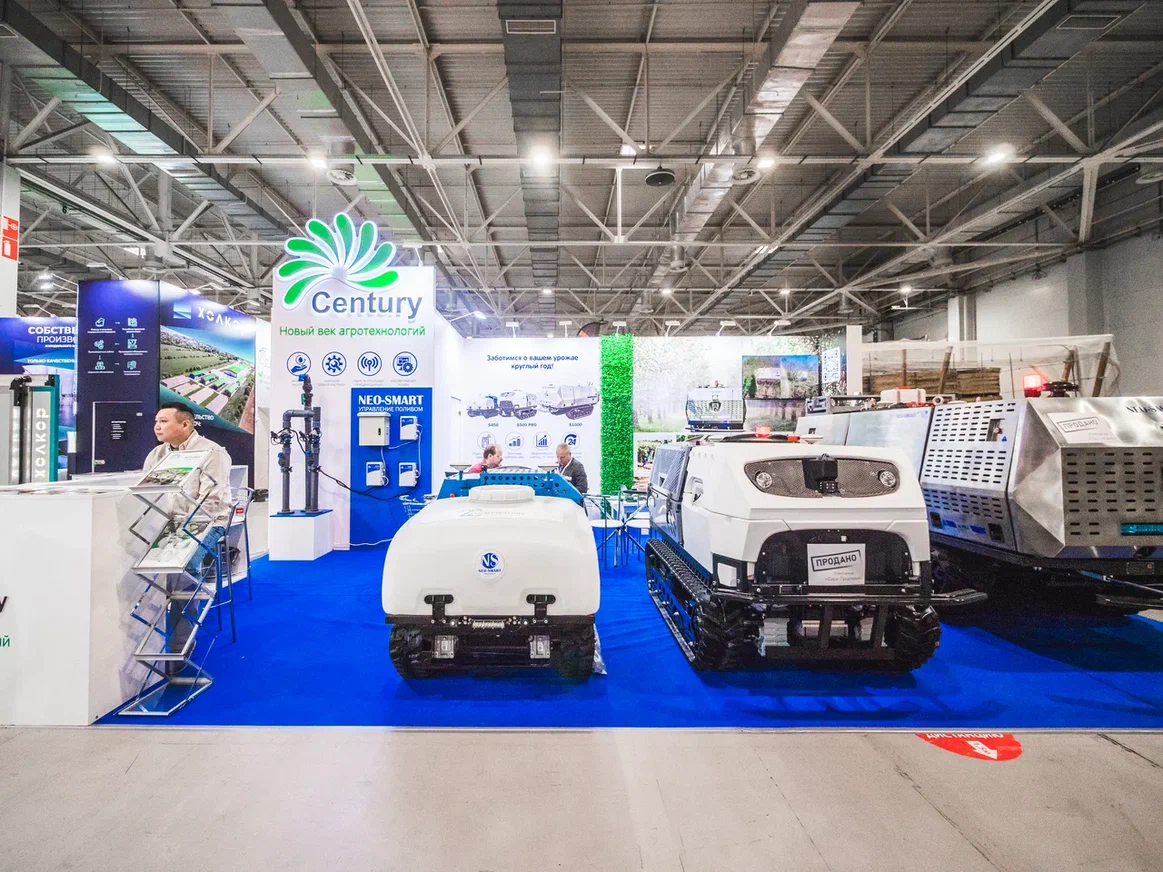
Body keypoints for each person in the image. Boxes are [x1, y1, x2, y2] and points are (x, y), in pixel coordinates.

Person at [143, 402, 235, 668]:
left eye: (164, 421)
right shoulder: (157, 455)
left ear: (185, 424)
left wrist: (183, 532)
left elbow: (212, 502)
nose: (157, 427)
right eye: (156, 421)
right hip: (168, 523)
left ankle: (180, 644)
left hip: (207, 523)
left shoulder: (212, 453)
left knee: (183, 566)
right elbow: (148, 492)